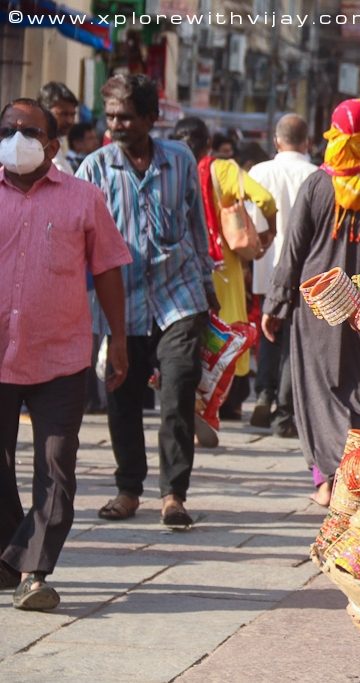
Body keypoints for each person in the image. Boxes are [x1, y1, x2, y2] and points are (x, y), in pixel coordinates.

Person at [261, 99, 360, 507]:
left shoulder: (317, 184)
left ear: (334, 137)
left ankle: (328, 479)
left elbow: (293, 252)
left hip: (318, 306)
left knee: (321, 391)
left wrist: (276, 303)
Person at [0, 98, 131, 610]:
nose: (16, 138)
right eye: (7, 129)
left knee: (56, 466)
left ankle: (34, 570)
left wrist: (117, 339)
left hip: (61, 356)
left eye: (28, 131)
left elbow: (107, 271)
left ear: (52, 146)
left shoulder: (83, 198)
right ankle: (12, 552)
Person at [77, 74, 219, 529]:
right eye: (111, 116)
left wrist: (205, 283)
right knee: (122, 391)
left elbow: (197, 226)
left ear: (151, 118)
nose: (116, 124)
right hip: (121, 301)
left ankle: (173, 494)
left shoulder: (179, 160)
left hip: (178, 294)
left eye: (126, 116)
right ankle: (128, 489)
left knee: (177, 387)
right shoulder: (94, 169)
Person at [170, 117, 277, 424]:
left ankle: (187, 404)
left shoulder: (167, 168)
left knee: (183, 339)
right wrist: (269, 230)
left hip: (178, 269)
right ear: (208, 146)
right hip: (221, 270)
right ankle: (219, 405)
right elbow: (265, 199)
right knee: (225, 336)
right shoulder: (223, 169)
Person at [248, 114, 318, 435]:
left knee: (268, 330)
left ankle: (263, 390)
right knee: (293, 338)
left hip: (264, 263)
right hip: (304, 269)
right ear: (308, 142)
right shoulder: (317, 176)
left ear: (276, 141)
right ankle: (285, 409)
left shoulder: (258, 172)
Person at [36, 82, 78, 174]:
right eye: (64, 114)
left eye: (72, 114)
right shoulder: (34, 146)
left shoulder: (60, 143)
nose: (70, 121)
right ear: (43, 111)